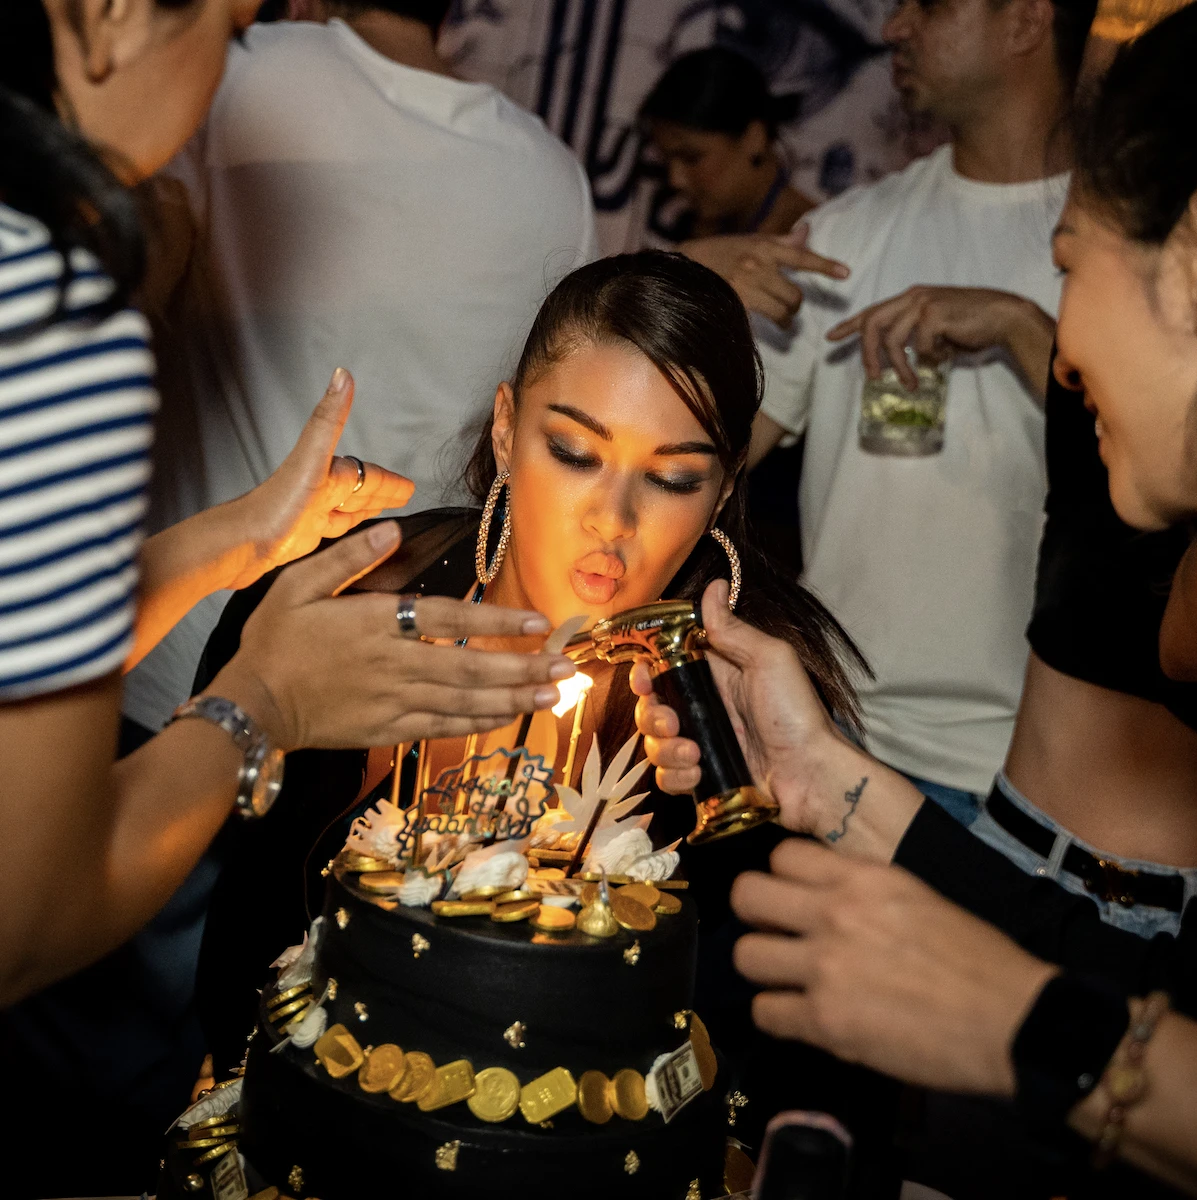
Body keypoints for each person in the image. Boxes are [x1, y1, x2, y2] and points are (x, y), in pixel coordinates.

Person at [0, 2, 575, 1193]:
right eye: (224, 21)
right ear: (109, 20)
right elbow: (26, 918)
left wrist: (232, 540)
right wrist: (264, 697)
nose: (224, 75)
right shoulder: (55, 317)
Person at [635, 5, 1197, 1190]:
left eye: (1066, 273)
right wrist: (825, 771)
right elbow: (1118, 978)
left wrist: (1027, 1030)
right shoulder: (850, 234)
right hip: (939, 801)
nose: (1068, 361)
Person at [186, 251, 887, 1160]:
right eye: (575, 452)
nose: (615, 518)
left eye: (674, 477)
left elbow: (791, 1056)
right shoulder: (348, 608)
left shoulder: (738, 713)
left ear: (724, 483)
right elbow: (234, 929)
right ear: (509, 427)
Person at [123, 0, 598, 738]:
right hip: (393, 673)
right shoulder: (554, 175)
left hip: (173, 641)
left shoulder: (241, 72)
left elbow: (129, 289)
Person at [746, 0, 1096, 827]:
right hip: (832, 740)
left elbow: (1168, 490)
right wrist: (682, 294)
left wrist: (1021, 330)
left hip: (1030, 784)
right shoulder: (846, 233)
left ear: (1025, 21)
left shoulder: (1131, 247)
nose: (894, 27)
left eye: (929, 5)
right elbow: (715, 453)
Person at [639, 46, 816, 243]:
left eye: (692, 157)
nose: (675, 180)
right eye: (666, 160)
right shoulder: (711, 225)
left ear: (753, 138)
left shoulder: (810, 241)